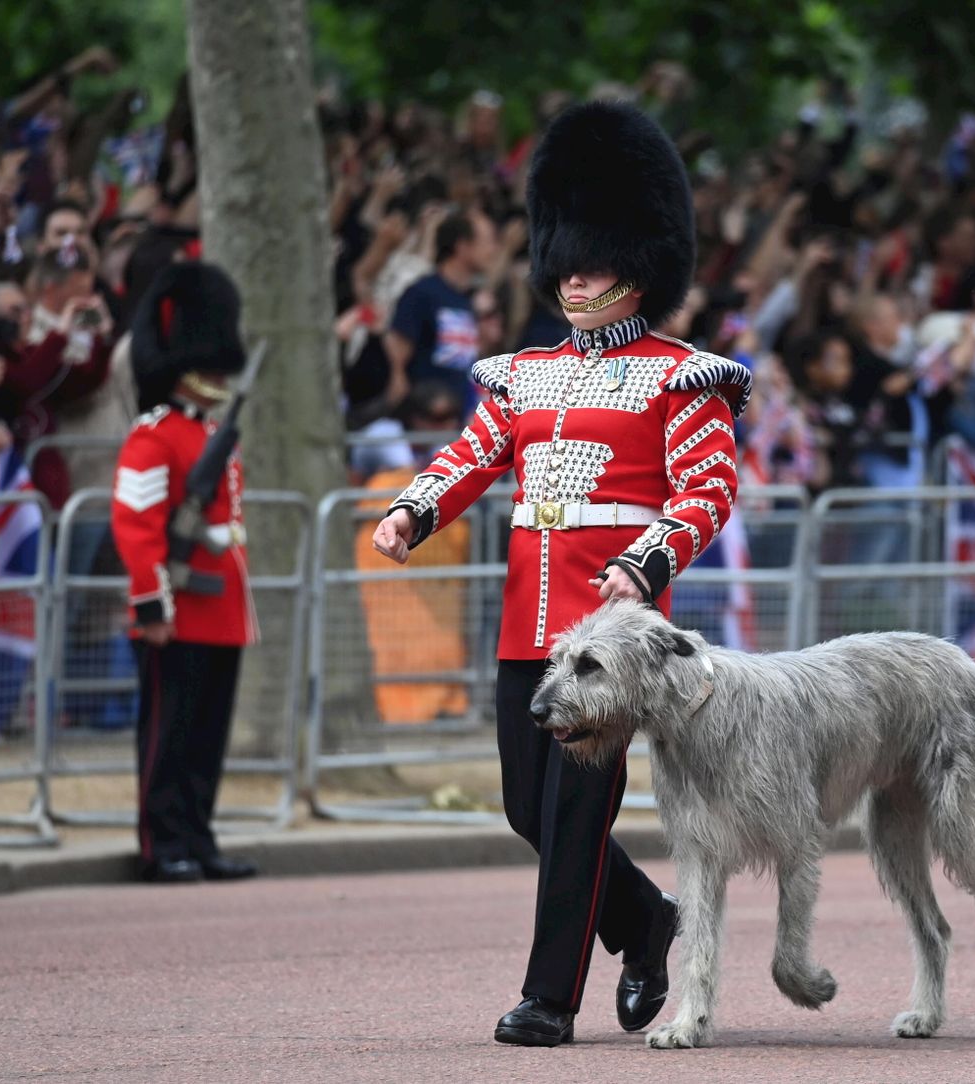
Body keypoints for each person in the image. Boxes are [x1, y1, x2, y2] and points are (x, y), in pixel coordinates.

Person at [373, 101, 748, 1047]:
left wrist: (644, 561)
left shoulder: (681, 376)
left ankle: (550, 999)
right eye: (566, 260)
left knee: (579, 816)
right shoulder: (525, 374)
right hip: (524, 622)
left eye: (595, 260)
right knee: (524, 808)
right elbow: (472, 453)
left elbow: (706, 490)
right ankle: (648, 922)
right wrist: (416, 509)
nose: (575, 277)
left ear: (639, 262)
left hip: (611, 638)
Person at [109, 262, 258, 885]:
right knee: (168, 738)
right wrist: (152, 604)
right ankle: (161, 842)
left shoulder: (212, 432)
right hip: (176, 611)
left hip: (219, 608)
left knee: (203, 738)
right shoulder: (153, 436)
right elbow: (135, 525)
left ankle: (197, 835)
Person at [383, 210, 484, 415]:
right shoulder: (422, 292)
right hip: (424, 418)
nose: (492, 251)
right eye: (485, 243)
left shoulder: (465, 299)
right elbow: (397, 342)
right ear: (462, 247)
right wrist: (397, 375)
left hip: (456, 417)